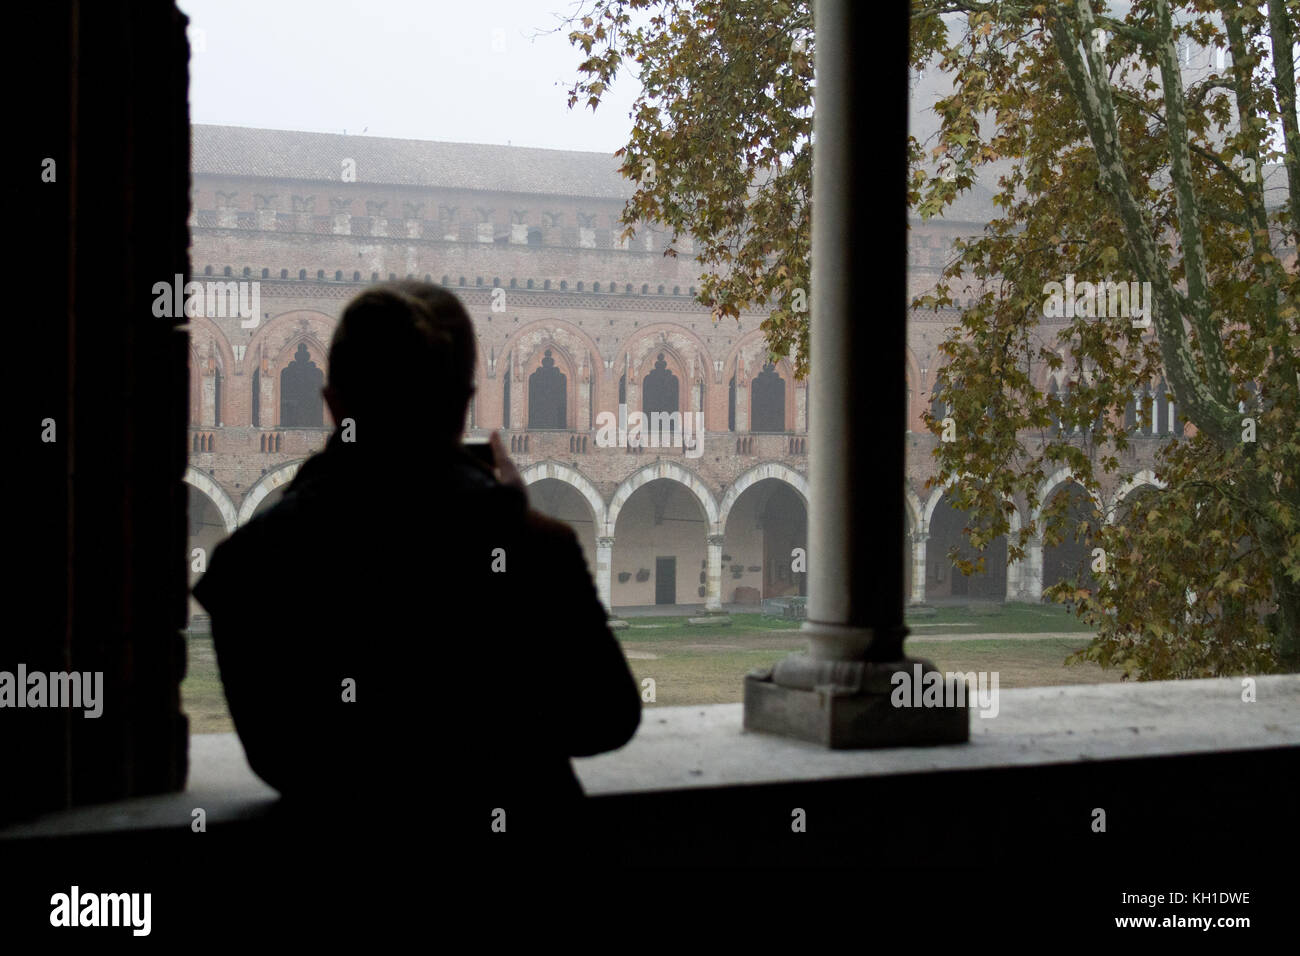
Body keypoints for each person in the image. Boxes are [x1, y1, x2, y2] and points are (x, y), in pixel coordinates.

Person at [193, 281, 641, 855]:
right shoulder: (524, 543)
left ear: (333, 405)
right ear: (462, 407)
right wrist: (512, 518)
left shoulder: (252, 566)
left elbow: (280, 759)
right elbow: (605, 719)